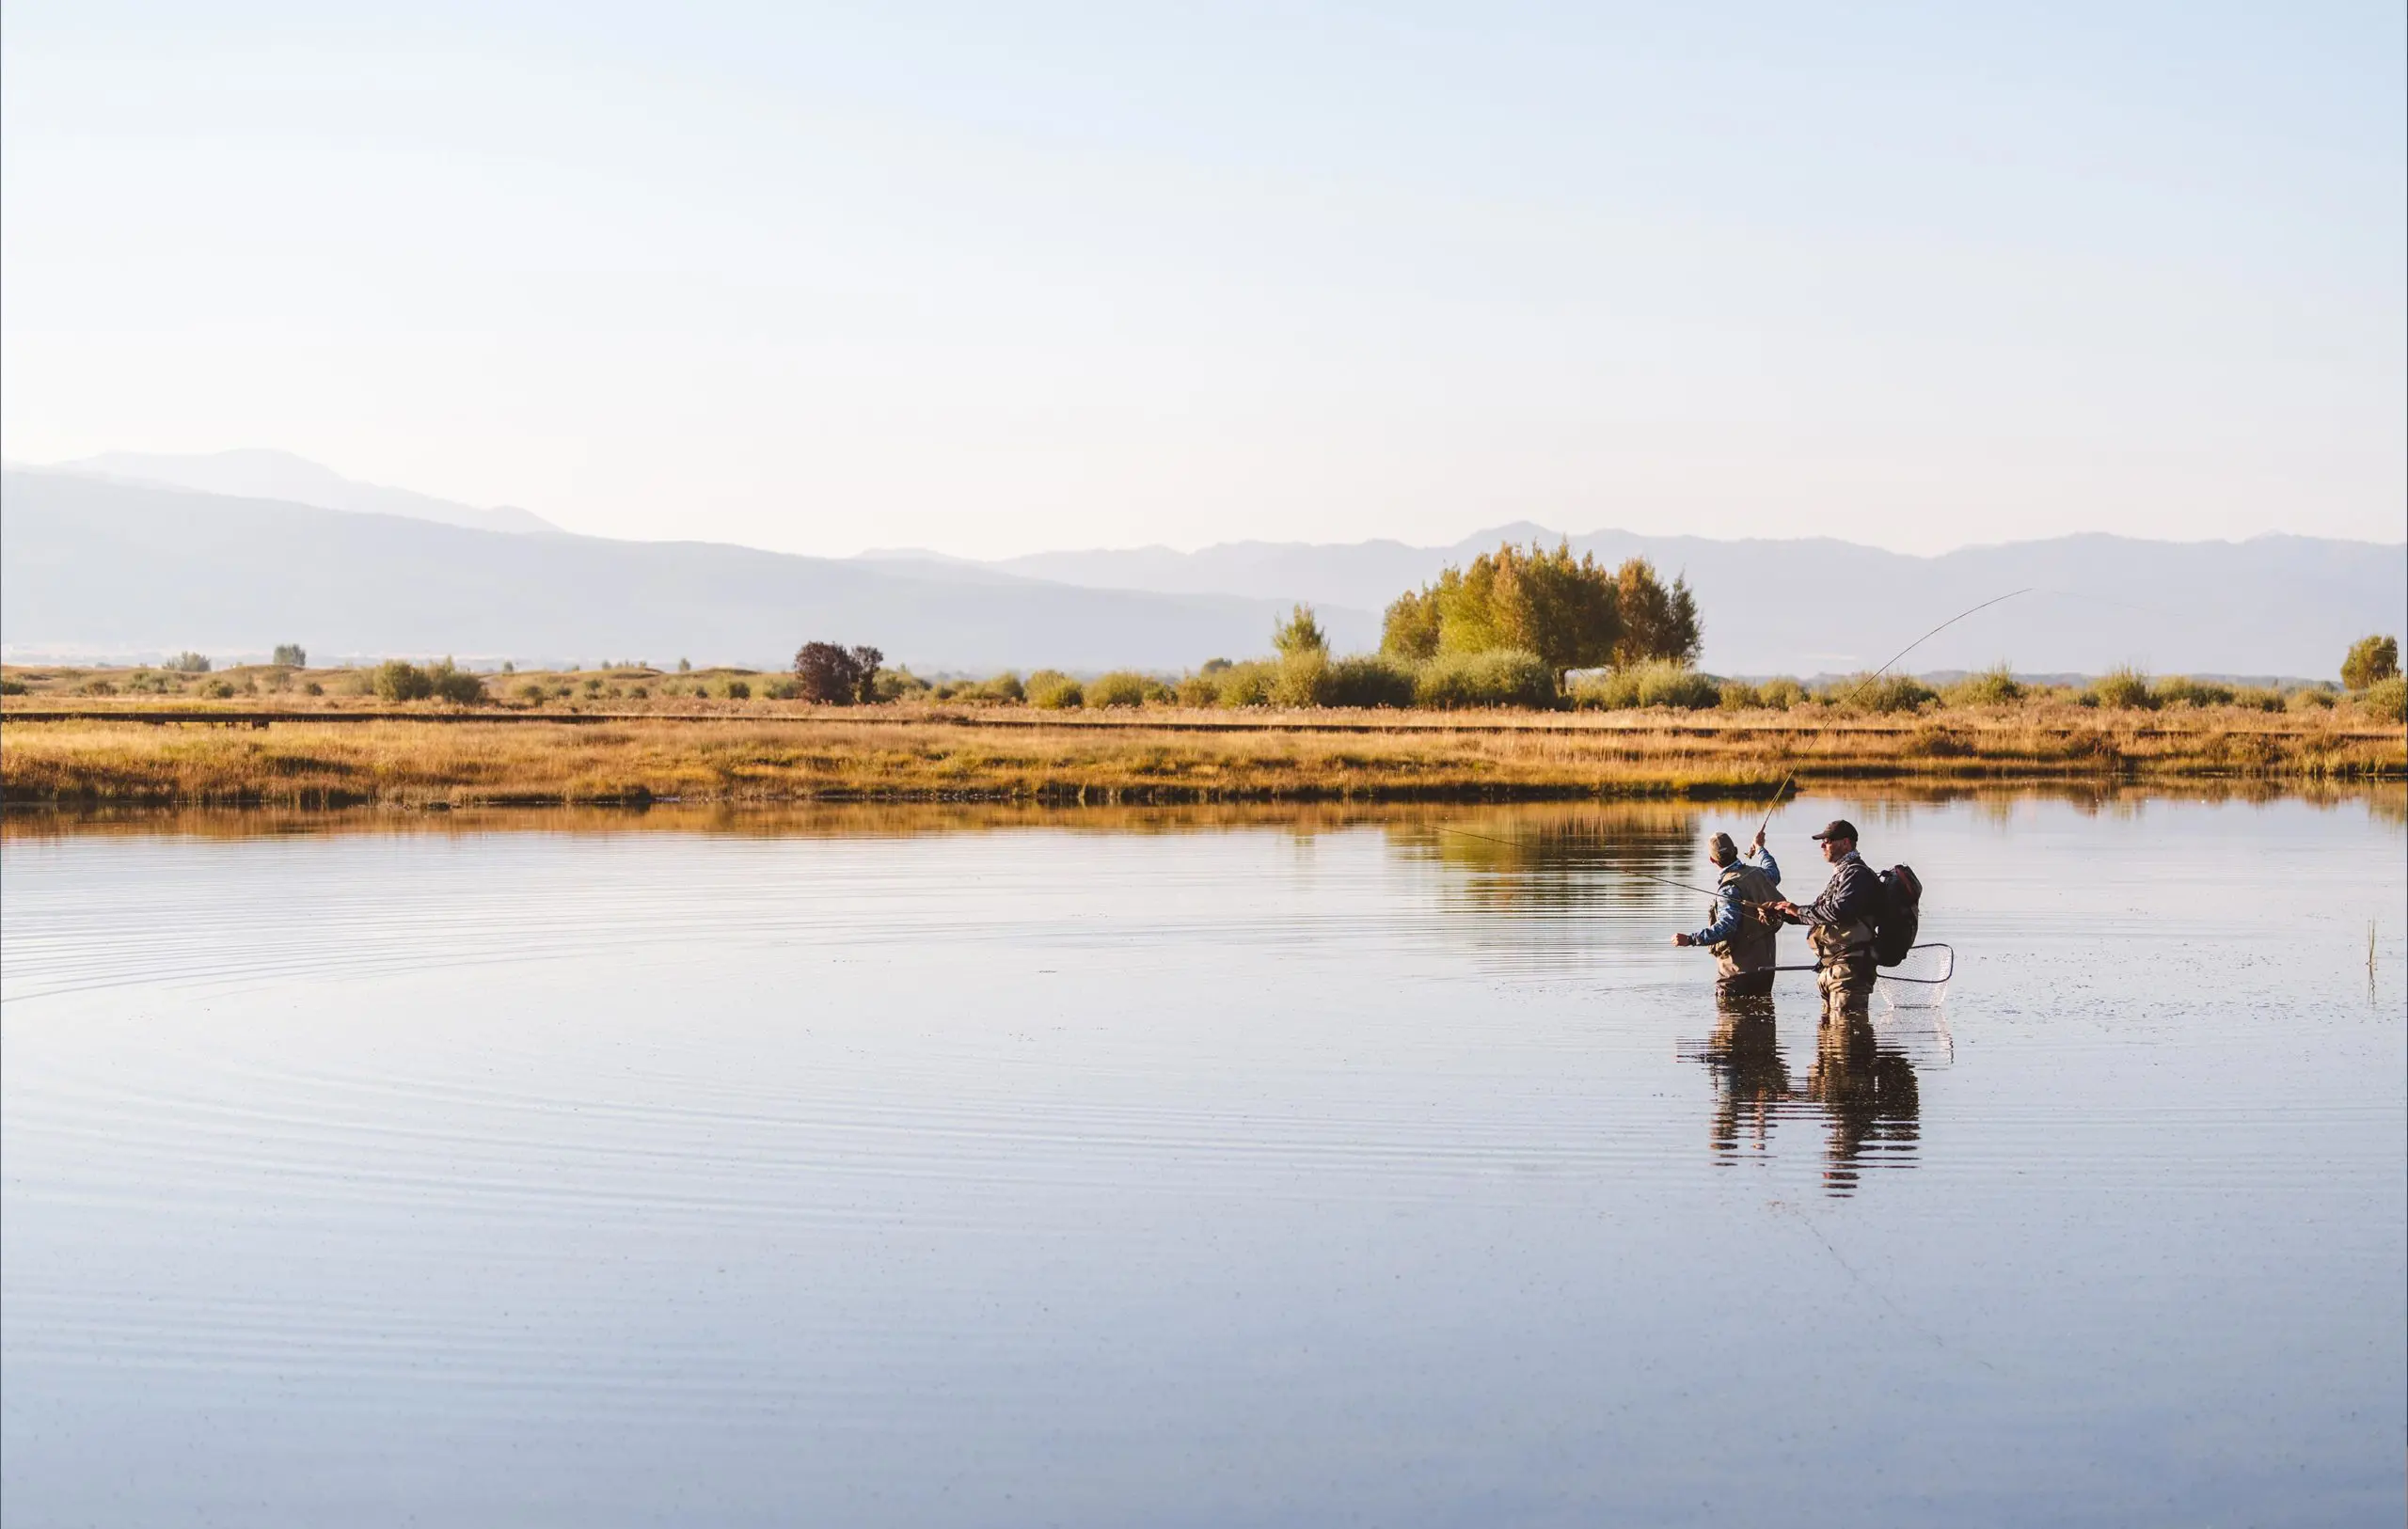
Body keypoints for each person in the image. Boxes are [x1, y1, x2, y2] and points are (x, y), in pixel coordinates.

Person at [1770, 819, 1881, 1020]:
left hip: (1850, 971)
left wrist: (1798, 910)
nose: (1822, 845)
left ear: (1846, 843)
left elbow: (1840, 911)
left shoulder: (1857, 875)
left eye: (1828, 841)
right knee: (1829, 1045)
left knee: (1846, 1043)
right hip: (1833, 969)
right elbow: (1820, 913)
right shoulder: (1843, 873)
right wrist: (1785, 913)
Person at [1671, 827, 1782, 997]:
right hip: (1765, 971)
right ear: (1736, 851)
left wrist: (1691, 939)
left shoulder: (1728, 888)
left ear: (1711, 860)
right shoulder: (1761, 874)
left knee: (1730, 1020)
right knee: (1763, 1021)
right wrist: (1759, 848)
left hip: (1736, 974)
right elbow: (1773, 870)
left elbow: (1727, 926)